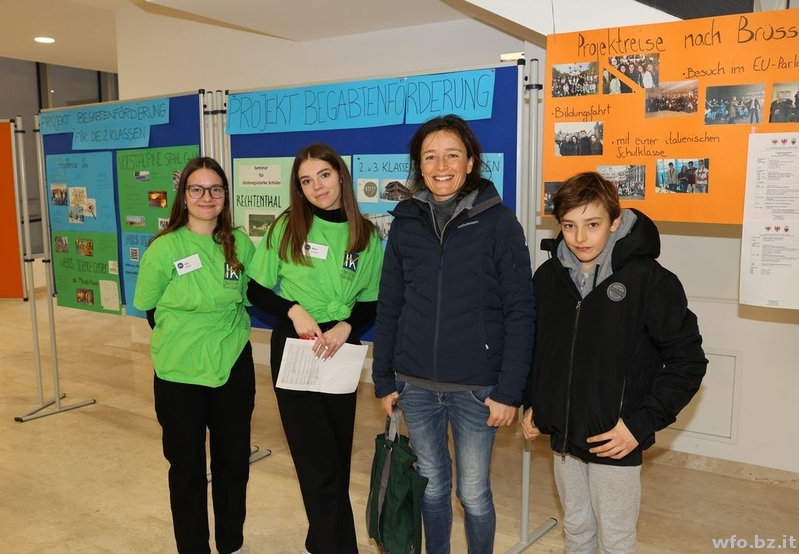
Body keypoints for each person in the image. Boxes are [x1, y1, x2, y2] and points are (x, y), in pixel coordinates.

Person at [372, 114, 535, 554]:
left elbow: (521, 311)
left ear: (470, 162)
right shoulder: (406, 222)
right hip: (415, 385)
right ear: (418, 165)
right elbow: (390, 305)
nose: (440, 166)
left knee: (474, 494)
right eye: (430, 157)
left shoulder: (499, 222)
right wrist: (384, 378)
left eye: (451, 155)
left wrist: (509, 391)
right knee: (430, 486)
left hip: (478, 390)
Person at [521, 171, 707, 553]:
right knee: (577, 529)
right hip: (565, 438)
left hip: (615, 441)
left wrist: (638, 426)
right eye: (569, 225)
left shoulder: (650, 281)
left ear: (615, 220)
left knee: (616, 539)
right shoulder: (548, 278)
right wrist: (534, 402)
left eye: (593, 224)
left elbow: (688, 362)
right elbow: (540, 348)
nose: (580, 237)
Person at [245, 143, 383, 554]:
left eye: (323, 175)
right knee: (316, 460)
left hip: (342, 347)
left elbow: (372, 301)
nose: (317, 187)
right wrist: (293, 311)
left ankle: (318, 538)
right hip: (296, 347)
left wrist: (346, 326)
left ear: (340, 175)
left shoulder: (366, 234)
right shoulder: (287, 226)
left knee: (336, 455)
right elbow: (254, 288)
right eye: (306, 181)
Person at [133, 157, 256, 554]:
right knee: (186, 468)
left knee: (233, 462)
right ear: (183, 196)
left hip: (232, 366)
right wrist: (186, 336)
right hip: (178, 373)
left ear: (225, 195)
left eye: (215, 188)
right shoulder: (164, 248)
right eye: (197, 189)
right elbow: (150, 308)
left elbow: (254, 296)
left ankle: (230, 543)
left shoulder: (240, 244)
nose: (207, 197)